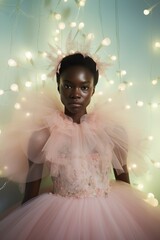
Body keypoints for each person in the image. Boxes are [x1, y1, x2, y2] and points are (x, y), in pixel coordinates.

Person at [0, 53, 160, 240]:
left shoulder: (112, 132)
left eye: (84, 87)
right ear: (58, 85)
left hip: (111, 213)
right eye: (68, 85)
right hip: (59, 217)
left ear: (93, 90)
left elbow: (125, 183)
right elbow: (30, 198)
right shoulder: (43, 135)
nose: (75, 94)